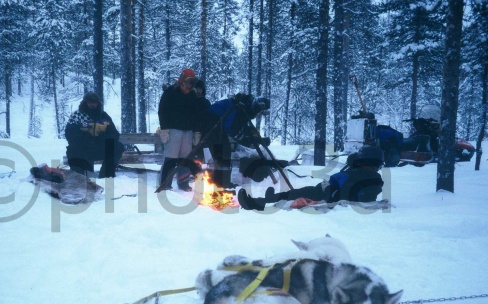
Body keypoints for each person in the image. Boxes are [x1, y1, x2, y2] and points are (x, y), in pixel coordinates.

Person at [237, 145, 385, 211]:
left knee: (292, 194)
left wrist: (322, 197)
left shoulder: (357, 175)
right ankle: (269, 199)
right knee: (291, 193)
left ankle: (257, 203)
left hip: (320, 192)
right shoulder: (373, 178)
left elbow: (341, 195)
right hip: (322, 189)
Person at [158, 69, 202, 191]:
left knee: (185, 159)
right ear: (182, 81)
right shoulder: (170, 92)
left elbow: (196, 115)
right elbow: (163, 111)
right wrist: (164, 129)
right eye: (188, 82)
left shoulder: (193, 95)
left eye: (192, 83)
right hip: (173, 130)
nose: (189, 86)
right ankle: (165, 184)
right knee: (171, 158)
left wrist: (196, 132)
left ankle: (183, 183)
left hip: (187, 131)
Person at [64, 92, 124, 178]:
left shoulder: (103, 116)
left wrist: (103, 138)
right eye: (90, 102)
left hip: (99, 147)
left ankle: (106, 174)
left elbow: (114, 134)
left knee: (118, 147)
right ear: (85, 102)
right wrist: (85, 139)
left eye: (95, 102)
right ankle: (78, 176)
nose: (92, 104)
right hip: (82, 148)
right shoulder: (77, 115)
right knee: (72, 150)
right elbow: (69, 134)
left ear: (98, 103)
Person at [177, 79, 211, 188]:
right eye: (197, 88)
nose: (199, 91)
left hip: (201, 134)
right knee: (186, 157)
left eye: (200, 89)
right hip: (187, 133)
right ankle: (183, 181)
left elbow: (207, 119)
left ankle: (198, 180)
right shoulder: (189, 101)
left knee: (197, 159)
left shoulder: (205, 102)